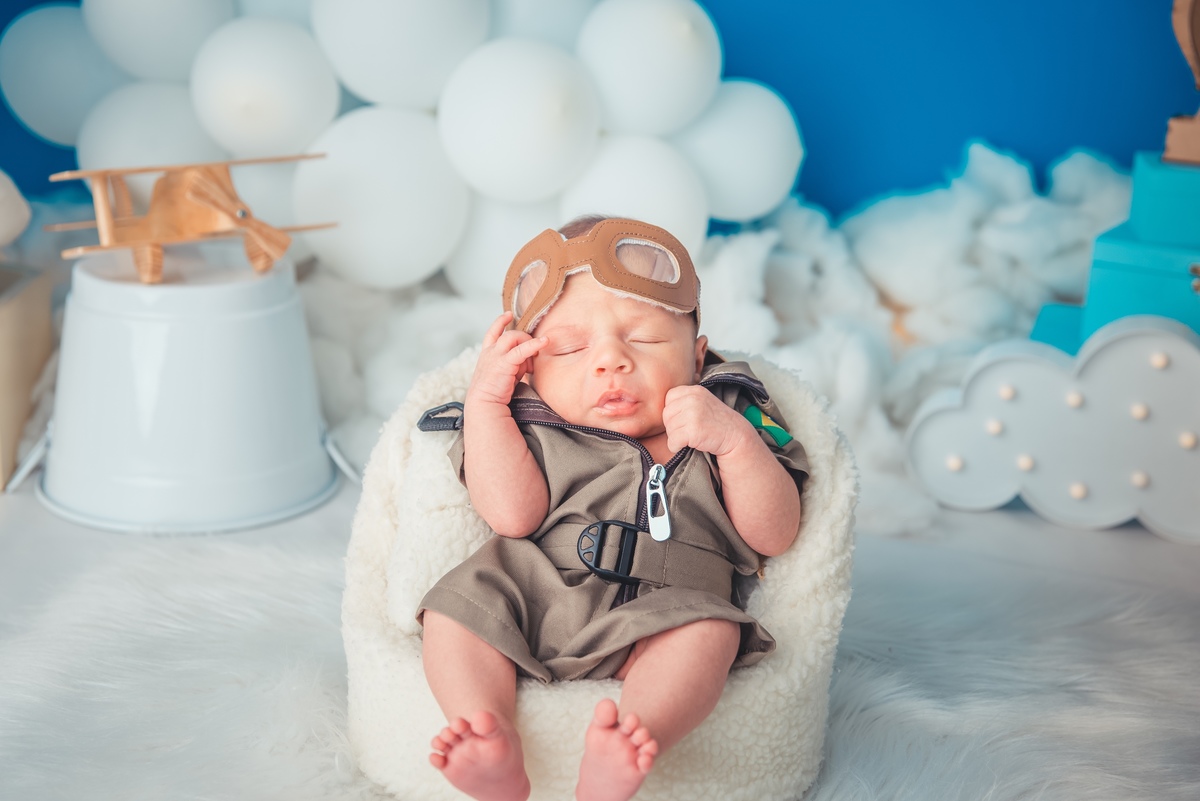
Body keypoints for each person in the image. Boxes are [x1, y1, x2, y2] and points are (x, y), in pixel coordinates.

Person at [416, 215, 808, 801]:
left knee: (710, 633)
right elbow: (511, 517)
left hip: (669, 602)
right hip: (532, 588)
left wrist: (734, 442)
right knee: (454, 611)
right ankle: (486, 732)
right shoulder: (527, 418)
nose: (609, 361)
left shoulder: (730, 411)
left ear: (697, 357)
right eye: (571, 348)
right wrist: (488, 404)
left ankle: (630, 740)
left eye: (644, 339)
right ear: (531, 370)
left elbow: (774, 535)